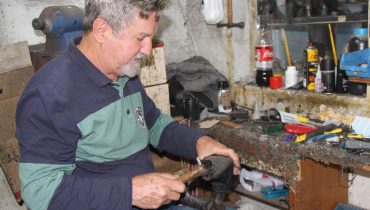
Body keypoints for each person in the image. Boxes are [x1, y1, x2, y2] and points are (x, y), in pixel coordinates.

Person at [15, 0, 240, 209]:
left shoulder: (123, 72)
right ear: (102, 30)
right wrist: (131, 192)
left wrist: (199, 142)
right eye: (139, 38)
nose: (148, 50)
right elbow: (40, 192)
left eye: (150, 38)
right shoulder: (49, 94)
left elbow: (154, 124)